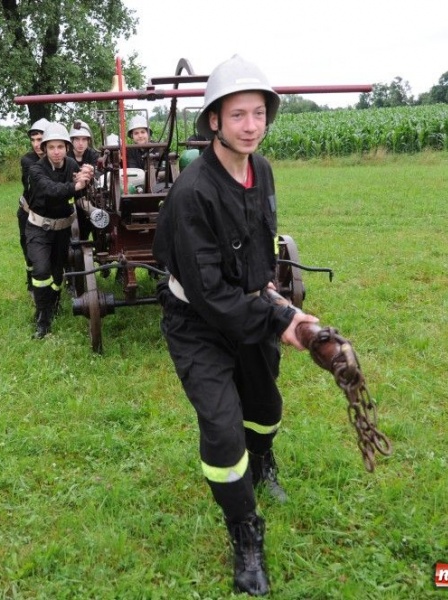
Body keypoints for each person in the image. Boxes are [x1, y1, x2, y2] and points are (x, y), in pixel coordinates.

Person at [152, 55, 320, 596]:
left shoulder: (263, 170)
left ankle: (264, 461)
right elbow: (209, 295)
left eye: (259, 114)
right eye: (238, 115)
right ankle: (245, 533)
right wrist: (283, 320)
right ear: (214, 122)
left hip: (249, 306)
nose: (251, 126)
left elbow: (259, 253)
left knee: (266, 410)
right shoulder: (191, 193)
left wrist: (277, 302)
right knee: (224, 434)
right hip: (197, 322)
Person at [26, 122, 94, 339]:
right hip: (38, 229)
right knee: (41, 271)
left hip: (62, 230)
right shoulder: (35, 169)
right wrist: (75, 186)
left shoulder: (72, 164)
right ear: (44, 149)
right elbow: (50, 190)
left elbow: (84, 188)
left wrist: (88, 175)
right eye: (51, 147)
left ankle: (53, 304)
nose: (56, 152)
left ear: (67, 148)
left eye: (60, 147)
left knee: (57, 274)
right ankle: (42, 318)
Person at [18, 118, 50, 294]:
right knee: (29, 248)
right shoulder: (28, 161)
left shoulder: (61, 158)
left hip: (51, 214)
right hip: (29, 212)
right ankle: (31, 282)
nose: (37, 144)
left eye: (41, 139)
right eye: (34, 140)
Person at [69, 120, 100, 242]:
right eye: (77, 139)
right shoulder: (66, 156)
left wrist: (94, 171)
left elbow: (101, 172)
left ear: (88, 141)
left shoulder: (93, 155)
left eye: (84, 139)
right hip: (72, 199)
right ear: (71, 141)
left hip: (92, 198)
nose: (80, 143)